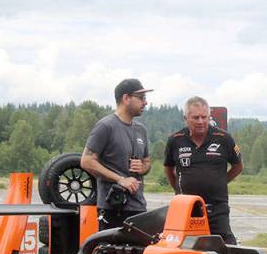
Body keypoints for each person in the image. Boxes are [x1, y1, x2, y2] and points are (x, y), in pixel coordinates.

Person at [164, 96, 243, 243]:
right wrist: (178, 187)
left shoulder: (224, 138)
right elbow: (168, 168)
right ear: (185, 118)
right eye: (195, 117)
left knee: (224, 248)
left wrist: (220, 181)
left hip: (217, 208)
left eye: (204, 117)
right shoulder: (175, 140)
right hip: (186, 208)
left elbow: (238, 166)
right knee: (185, 249)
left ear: (209, 117)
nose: (200, 121)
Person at [81, 79, 152, 230]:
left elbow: (147, 162)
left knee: (138, 253)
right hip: (113, 208)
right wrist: (120, 179)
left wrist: (142, 167)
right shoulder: (106, 126)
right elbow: (86, 161)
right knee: (113, 253)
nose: (145, 103)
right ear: (126, 98)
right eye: (141, 98)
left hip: (138, 207)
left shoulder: (141, 130)